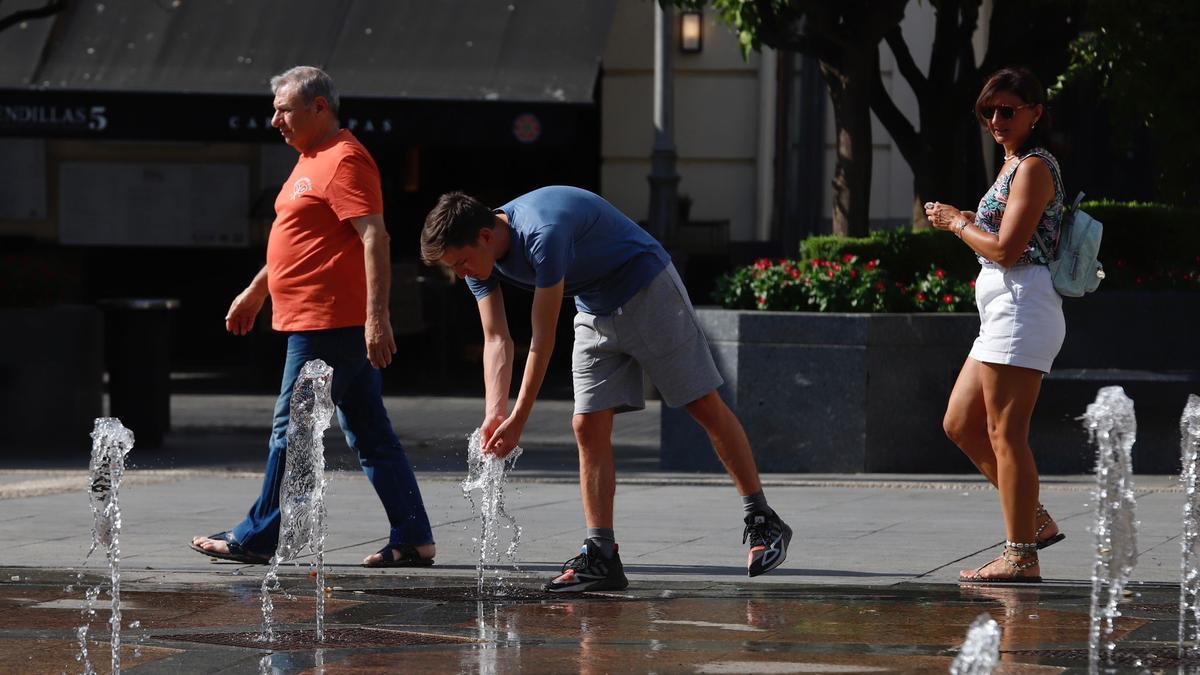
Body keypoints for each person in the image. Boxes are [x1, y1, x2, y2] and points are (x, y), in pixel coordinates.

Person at [419, 186, 792, 592]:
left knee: (701, 403)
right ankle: (602, 555)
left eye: (461, 263)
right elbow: (497, 340)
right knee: (586, 425)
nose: (462, 274)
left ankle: (762, 519)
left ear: (485, 237)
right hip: (594, 307)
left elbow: (542, 342)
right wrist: (496, 412)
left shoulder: (543, 233)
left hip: (648, 290)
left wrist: (520, 419)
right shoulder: (480, 261)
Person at [190, 66, 435, 568]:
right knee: (368, 432)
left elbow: (375, 237)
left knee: (292, 429)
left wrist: (376, 318)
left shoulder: (345, 160)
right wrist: (256, 291)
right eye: (275, 110)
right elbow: (299, 243)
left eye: (284, 109)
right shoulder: (309, 159)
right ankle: (413, 537)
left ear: (319, 107)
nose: (275, 120)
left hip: (329, 323)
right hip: (312, 318)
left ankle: (258, 536)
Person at [924, 67, 1067, 583]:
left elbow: (1007, 250)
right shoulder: (1011, 165)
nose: (997, 120)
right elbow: (1003, 238)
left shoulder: (1033, 166)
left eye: (1008, 110)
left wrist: (958, 224)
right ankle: (1033, 521)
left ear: (1035, 113)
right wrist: (966, 219)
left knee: (1006, 434)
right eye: (989, 111)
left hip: (1023, 309)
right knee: (960, 423)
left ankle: (1020, 555)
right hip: (1002, 312)